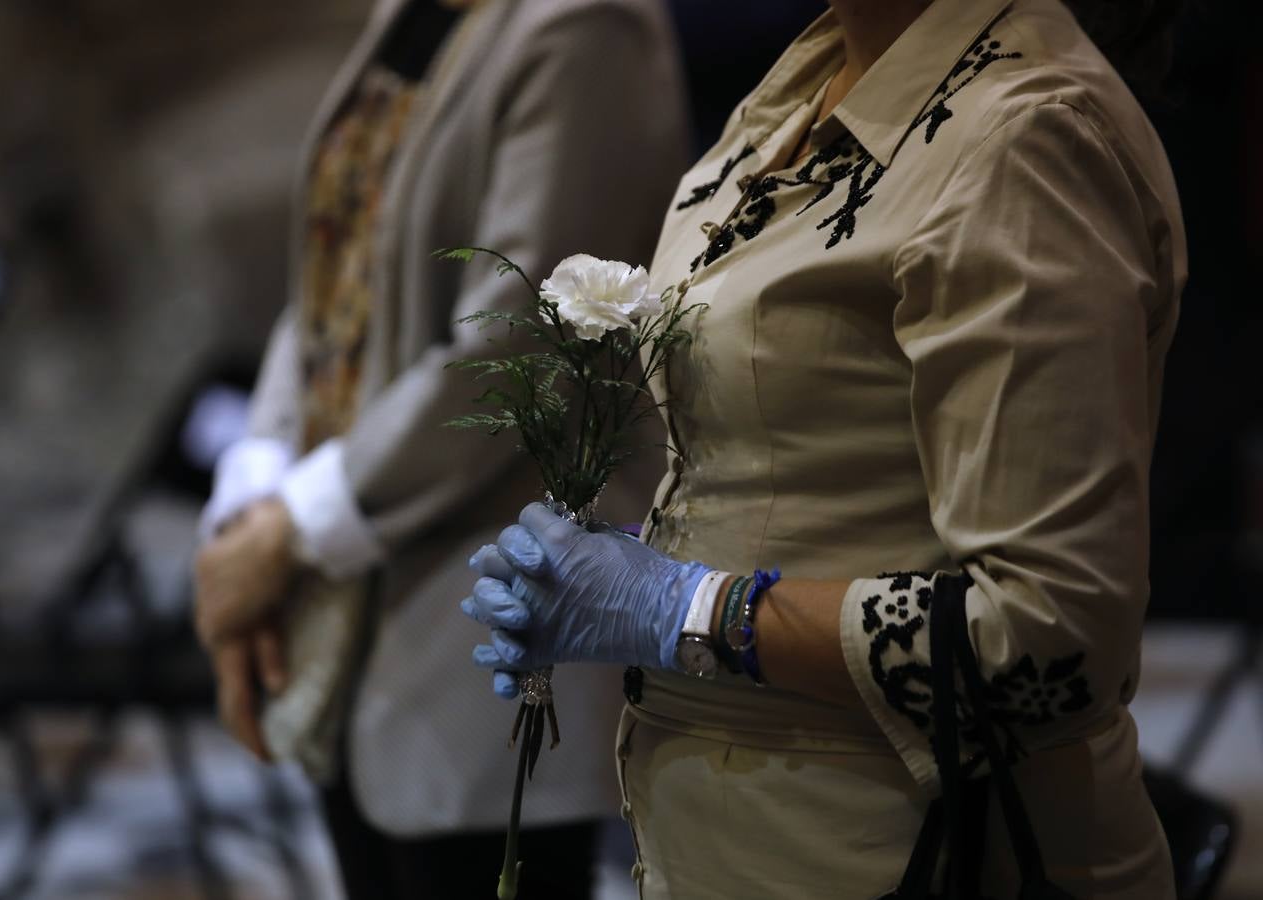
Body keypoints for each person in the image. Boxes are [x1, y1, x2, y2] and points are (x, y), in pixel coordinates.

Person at [463, 0, 1186, 897]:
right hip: (731, 839)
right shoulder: (806, 83)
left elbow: (1053, 638)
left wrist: (688, 610)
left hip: (908, 854)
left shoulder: (1025, 139)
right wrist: (612, 574)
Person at [191, 0, 688, 897]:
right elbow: (332, 279)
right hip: (350, 619)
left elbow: (518, 342)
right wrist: (255, 492)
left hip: (481, 634)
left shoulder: (585, 26)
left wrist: (285, 535)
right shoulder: (414, 12)